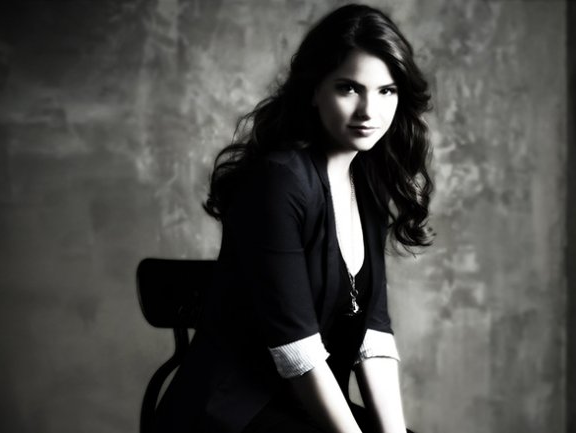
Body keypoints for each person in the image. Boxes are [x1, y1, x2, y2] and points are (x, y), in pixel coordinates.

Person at [154, 4, 433, 433]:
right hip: (228, 413)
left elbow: (373, 334)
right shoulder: (279, 181)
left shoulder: (368, 184)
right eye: (349, 88)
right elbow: (296, 349)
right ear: (313, 90)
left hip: (303, 407)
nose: (369, 111)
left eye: (386, 91)